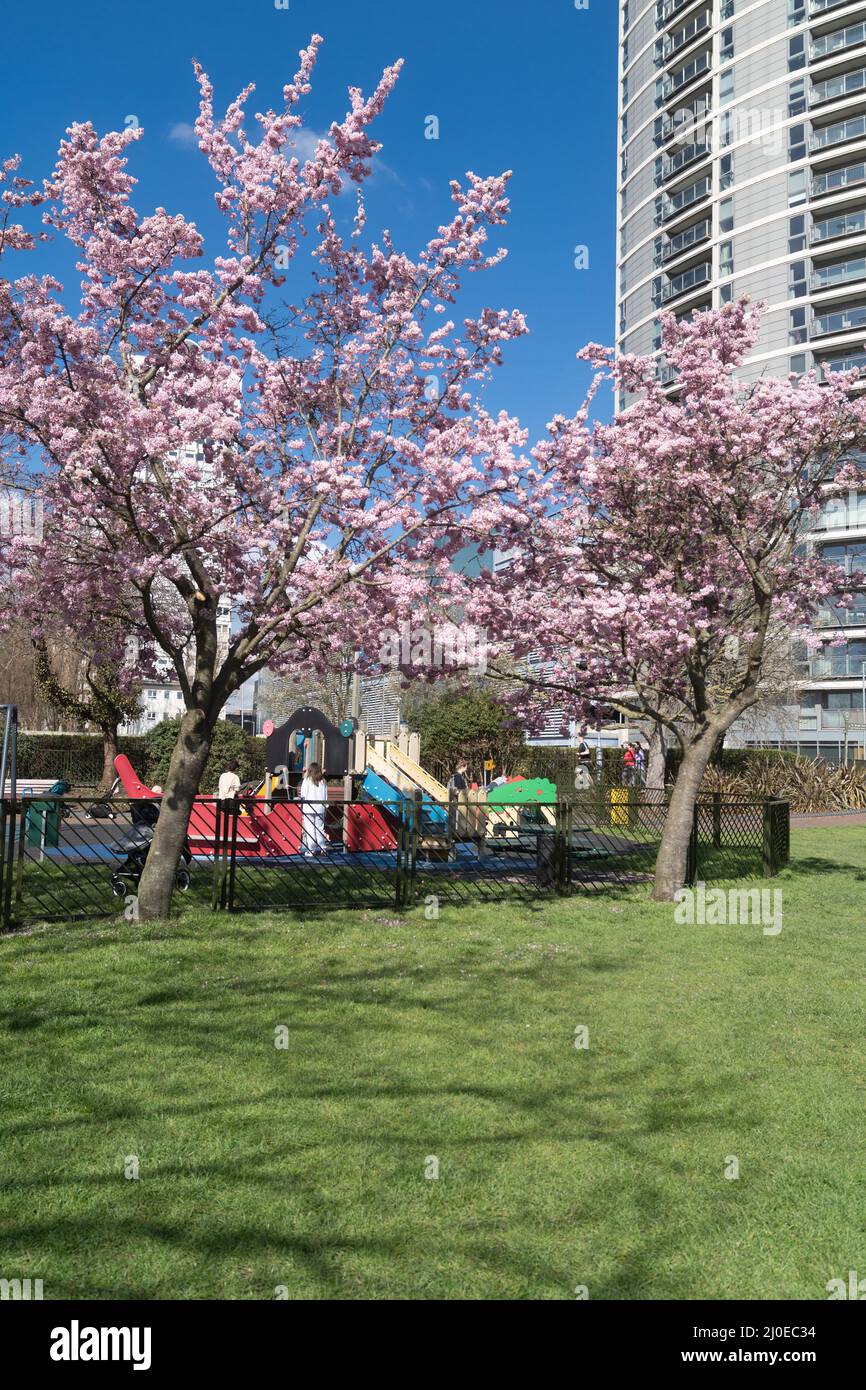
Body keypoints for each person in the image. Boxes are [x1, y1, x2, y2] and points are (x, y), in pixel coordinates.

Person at [300, 761, 329, 854]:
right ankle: (323, 848)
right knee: (320, 828)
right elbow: (326, 795)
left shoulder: (307, 780)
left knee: (310, 829)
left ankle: (311, 849)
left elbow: (303, 794)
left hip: (309, 807)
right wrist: (326, 806)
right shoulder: (323, 781)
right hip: (320, 807)